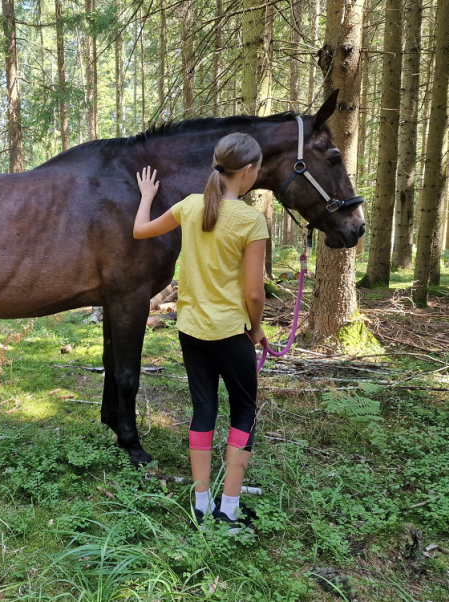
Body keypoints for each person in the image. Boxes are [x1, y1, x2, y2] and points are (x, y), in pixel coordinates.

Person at [133, 133, 268, 530]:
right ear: (247, 171)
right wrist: (257, 329)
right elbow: (254, 292)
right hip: (232, 333)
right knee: (243, 410)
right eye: (257, 170)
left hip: (191, 330)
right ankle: (229, 508)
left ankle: (201, 504)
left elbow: (140, 230)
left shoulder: (190, 207)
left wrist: (146, 194)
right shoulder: (251, 220)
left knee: (203, 410)